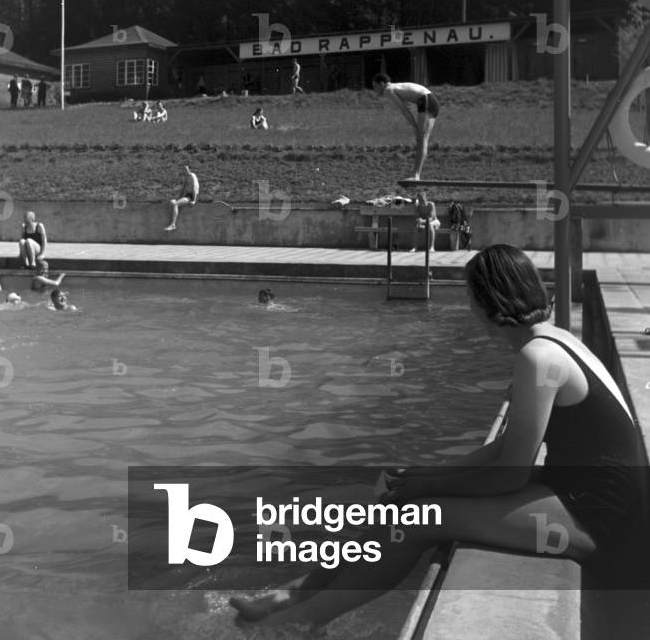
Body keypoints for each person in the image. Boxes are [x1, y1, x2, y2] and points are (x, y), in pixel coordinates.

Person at [230, 245, 644, 630]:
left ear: (487, 302)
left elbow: (510, 475)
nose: (469, 307)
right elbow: (504, 449)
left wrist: (429, 483)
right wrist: (424, 474)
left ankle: (300, 623)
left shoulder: (538, 357)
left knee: (414, 520)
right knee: (401, 503)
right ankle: (293, 594)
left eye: (470, 297)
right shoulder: (552, 341)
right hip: (582, 492)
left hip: (601, 519)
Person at [372, 73, 440, 179]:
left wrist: (415, 126)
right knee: (422, 139)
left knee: (421, 138)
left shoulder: (388, 90)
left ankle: (416, 175)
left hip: (425, 100)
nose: (374, 90)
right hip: (432, 101)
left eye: (375, 87)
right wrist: (416, 126)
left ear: (382, 84)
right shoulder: (395, 87)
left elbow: (404, 109)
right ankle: (416, 174)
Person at [164, 164, 199, 231]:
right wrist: (178, 198)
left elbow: (195, 188)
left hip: (192, 196)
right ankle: (171, 223)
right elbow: (183, 189)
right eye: (183, 169)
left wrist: (194, 200)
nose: (184, 171)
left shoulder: (192, 176)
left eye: (186, 169)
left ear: (189, 169)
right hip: (187, 195)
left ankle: (173, 225)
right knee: (172, 201)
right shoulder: (187, 177)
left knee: (176, 204)